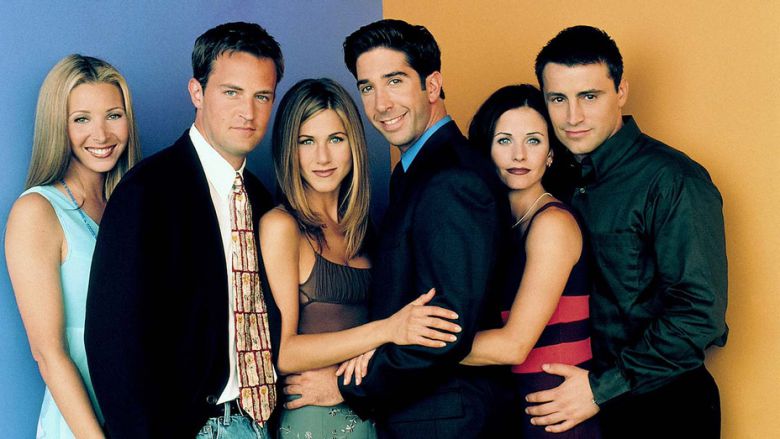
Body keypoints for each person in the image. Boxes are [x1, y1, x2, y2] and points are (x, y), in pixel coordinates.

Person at [282, 19, 513, 438]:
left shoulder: (451, 178)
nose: (381, 104)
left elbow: (446, 329)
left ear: (432, 85)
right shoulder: (414, 173)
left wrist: (345, 385)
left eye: (394, 81)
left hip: (447, 418)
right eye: (368, 87)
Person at [525, 25, 728, 438]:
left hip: (663, 408)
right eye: (558, 99)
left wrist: (601, 389)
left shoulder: (673, 180)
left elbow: (699, 315)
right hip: (577, 407)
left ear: (620, 92)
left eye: (589, 97)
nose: (572, 117)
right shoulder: (549, 177)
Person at [84, 22, 284, 438]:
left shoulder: (261, 200)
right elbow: (112, 342)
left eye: (262, 96)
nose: (248, 112)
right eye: (232, 92)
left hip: (261, 424)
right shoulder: (147, 191)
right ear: (197, 92)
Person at [261, 78, 461, 439]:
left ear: (353, 145)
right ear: (289, 149)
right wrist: (389, 329)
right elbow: (286, 353)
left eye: (336, 139)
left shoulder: (364, 229)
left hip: (369, 412)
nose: (323, 157)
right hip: (314, 421)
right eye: (307, 141)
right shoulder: (282, 226)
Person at [5, 54, 141, 438]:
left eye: (113, 115)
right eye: (81, 119)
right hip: (81, 428)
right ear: (58, 126)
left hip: (141, 421)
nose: (101, 135)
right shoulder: (37, 211)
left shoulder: (133, 209)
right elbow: (48, 354)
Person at [461, 84, 601, 438]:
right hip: (515, 407)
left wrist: (405, 346)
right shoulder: (499, 225)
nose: (519, 155)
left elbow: (514, 345)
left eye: (534, 141)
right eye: (504, 140)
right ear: (486, 149)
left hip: (556, 413)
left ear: (551, 154)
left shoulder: (552, 223)